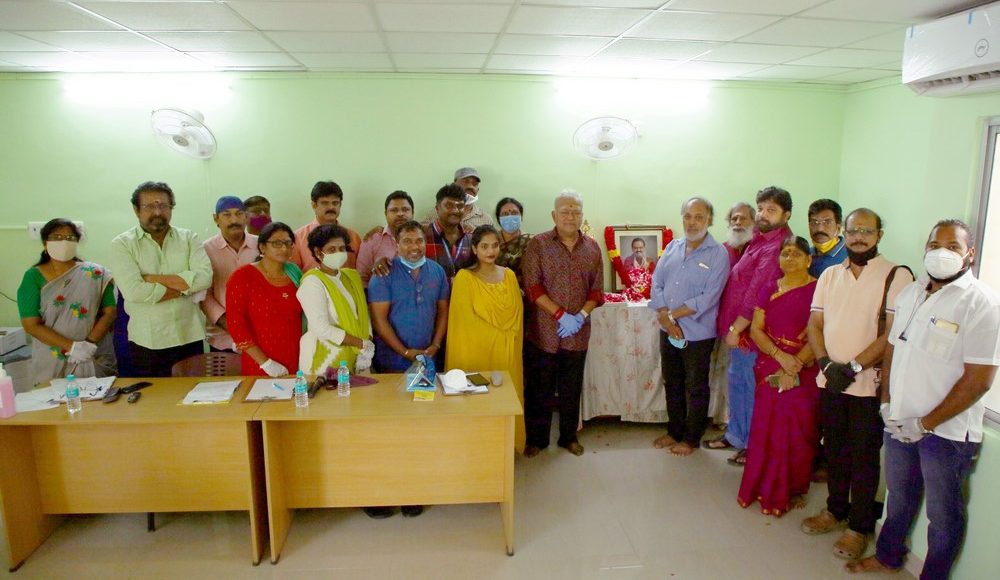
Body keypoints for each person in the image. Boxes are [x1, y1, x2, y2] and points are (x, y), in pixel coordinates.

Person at [847, 220, 999, 579]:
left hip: (945, 434)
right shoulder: (911, 293)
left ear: (969, 254)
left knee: (943, 516)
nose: (941, 252)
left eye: (952, 246)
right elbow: (893, 349)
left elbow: (978, 380)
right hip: (899, 420)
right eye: (935, 244)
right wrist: (886, 402)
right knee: (898, 497)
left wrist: (926, 423)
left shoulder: (981, 303)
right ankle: (888, 557)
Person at [800, 209, 914, 559]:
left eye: (866, 231)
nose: (858, 237)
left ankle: (859, 527)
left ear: (879, 234)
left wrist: (852, 365)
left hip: (866, 385)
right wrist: (824, 363)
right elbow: (815, 323)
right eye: (852, 231)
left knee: (864, 458)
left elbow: (893, 334)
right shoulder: (830, 275)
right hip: (831, 381)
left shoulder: (897, 275)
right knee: (834, 450)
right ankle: (835, 510)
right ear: (843, 234)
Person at [709, 186, 794, 466]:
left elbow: (756, 294)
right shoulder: (759, 238)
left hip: (751, 333)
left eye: (771, 210)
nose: (762, 214)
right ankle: (736, 435)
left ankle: (751, 443)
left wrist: (736, 329)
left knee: (749, 387)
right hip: (740, 330)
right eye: (760, 208)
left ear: (786, 214)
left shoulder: (777, 246)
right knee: (738, 384)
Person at [736, 236, 819, 516]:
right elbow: (756, 329)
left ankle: (792, 487)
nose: (789, 258)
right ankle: (760, 483)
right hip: (770, 364)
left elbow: (821, 332)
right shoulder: (769, 288)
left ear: (809, 259)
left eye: (796, 253)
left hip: (804, 368)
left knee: (798, 429)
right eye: (785, 253)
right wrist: (780, 357)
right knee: (766, 426)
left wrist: (795, 363)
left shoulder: (819, 290)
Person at [522, 189, 603, 457]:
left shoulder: (592, 247)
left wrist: (580, 316)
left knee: (571, 388)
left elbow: (596, 291)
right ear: (554, 215)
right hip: (543, 332)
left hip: (577, 333)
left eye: (576, 211)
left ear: (582, 215)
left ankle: (568, 437)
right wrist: (560, 315)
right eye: (565, 211)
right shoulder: (538, 244)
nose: (570, 216)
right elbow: (532, 287)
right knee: (540, 389)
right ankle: (537, 439)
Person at [648, 198, 730, 456]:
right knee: (672, 381)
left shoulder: (719, 254)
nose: (692, 222)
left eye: (699, 217)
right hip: (668, 330)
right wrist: (664, 316)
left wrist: (672, 316)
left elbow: (709, 297)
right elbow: (657, 282)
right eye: (688, 216)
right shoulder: (673, 246)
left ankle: (692, 438)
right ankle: (674, 431)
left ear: (709, 220)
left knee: (695, 385)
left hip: (697, 334)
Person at [109, 181, 212, 377]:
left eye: (163, 206)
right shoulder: (122, 244)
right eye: (149, 206)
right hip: (148, 342)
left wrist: (151, 279)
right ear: (136, 210)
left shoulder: (189, 238)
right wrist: (185, 286)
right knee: (154, 404)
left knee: (194, 398)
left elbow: (204, 279)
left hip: (189, 335)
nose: (157, 212)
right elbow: (133, 292)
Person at [446, 225, 525, 451]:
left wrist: (507, 342)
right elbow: (462, 323)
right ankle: (475, 448)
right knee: (478, 400)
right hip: (476, 353)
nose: (490, 251)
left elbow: (517, 315)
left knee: (504, 397)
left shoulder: (509, 276)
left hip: (506, 351)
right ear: (474, 249)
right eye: (484, 246)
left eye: (495, 245)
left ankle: (505, 447)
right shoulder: (465, 278)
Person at [17, 219, 116, 387]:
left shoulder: (95, 273)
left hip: (93, 352)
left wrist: (88, 344)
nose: (64, 242)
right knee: (53, 407)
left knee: (100, 405)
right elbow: (31, 324)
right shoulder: (32, 277)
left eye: (70, 238)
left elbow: (110, 311)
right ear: (45, 243)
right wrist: (71, 347)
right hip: (51, 357)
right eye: (57, 237)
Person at [368, 221, 449, 372]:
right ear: (397, 244)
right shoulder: (383, 274)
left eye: (419, 241)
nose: (414, 247)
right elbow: (379, 321)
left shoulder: (437, 271)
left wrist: (436, 345)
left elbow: (443, 312)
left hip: (428, 358)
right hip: (391, 361)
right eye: (407, 241)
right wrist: (404, 352)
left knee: (428, 396)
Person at [225, 222, 303, 377]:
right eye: (277, 243)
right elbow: (236, 325)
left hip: (297, 354)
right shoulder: (242, 277)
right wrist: (265, 363)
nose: (284, 248)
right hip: (260, 362)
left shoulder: (294, 272)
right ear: (262, 247)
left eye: (288, 243)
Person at [297, 224, 373, 375]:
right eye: (332, 249)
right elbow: (321, 328)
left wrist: (367, 340)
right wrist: (360, 343)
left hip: (358, 354)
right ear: (318, 252)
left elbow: (363, 314)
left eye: (342, 248)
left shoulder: (351, 276)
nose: (338, 253)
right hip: (324, 357)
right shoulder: (313, 282)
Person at [707, 201, 756, 427]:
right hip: (722, 323)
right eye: (734, 219)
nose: (737, 223)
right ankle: (724, 422)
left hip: (749, 327)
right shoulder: (721, 250)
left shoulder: (757, 250)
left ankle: (741, 426)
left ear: (754, 222)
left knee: (744, 380)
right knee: (723, 374)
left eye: (743, 218)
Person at [202, 196, 259, 352]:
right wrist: (230, 324)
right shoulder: (205, 250)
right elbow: (204, 295)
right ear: (216, 219)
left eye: (239, 214)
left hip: (261, 334)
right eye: (227, 214)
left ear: (246, 217)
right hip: (223, 339)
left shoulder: (262, 245)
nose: (234, 220)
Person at [292, 181, 363, 272]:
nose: (331, 207)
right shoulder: (298, 237)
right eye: (325, 203)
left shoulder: (353, 236)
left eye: (335, 203)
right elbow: (294, 276)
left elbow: (361, 272)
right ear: (314, 205)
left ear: (340, 205)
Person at [356, 190, 414, 287]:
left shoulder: (422, 239)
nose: (400, 214)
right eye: (394, 210)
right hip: (379, 299)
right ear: (385, 213)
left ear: (413, 213)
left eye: (405, 209)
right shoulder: (372, 240)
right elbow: (361, 278)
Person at [424, 183, 473, 281]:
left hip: (464, 295)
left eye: (460, 206)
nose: (455, 210)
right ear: (437, 209)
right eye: (449, 205)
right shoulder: (423, 236)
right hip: (434, 295)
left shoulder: (472, 238)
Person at [422, 167, 495, 230]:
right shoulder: (438, 212)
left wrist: (476, 234)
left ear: (478, 189)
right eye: (465, 182)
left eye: (475, 184)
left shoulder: (485, 219)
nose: (470, 186)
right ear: (454, 185)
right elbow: (419, 232)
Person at [495, 197, 531, 286]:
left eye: (514, 213)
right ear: (498, 218)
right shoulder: (491, 241)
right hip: (494, 291)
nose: (509, 217)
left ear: (521, 217)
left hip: (524, 293)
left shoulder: (531, 242)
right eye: (505, 214)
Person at [808, 198, 848, 277]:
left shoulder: (852, 258)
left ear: (839, 227)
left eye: (827, 222)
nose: (820, 229)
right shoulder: (806, 255)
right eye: (814, 222)